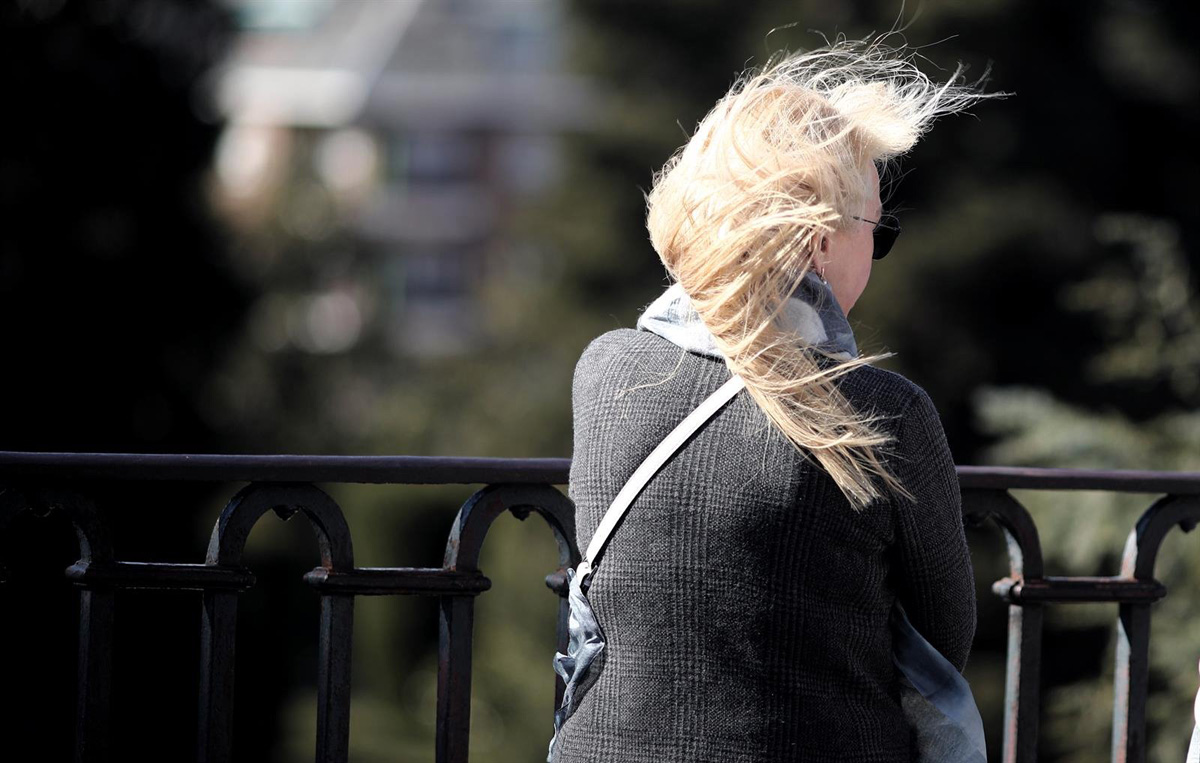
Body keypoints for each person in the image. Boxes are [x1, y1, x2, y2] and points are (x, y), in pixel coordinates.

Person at [551, 36, 1001, 763]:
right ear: (822, 241)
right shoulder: (885, 412)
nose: (878, 251)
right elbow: (943, 634)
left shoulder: (604, 370)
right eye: (877, 231)